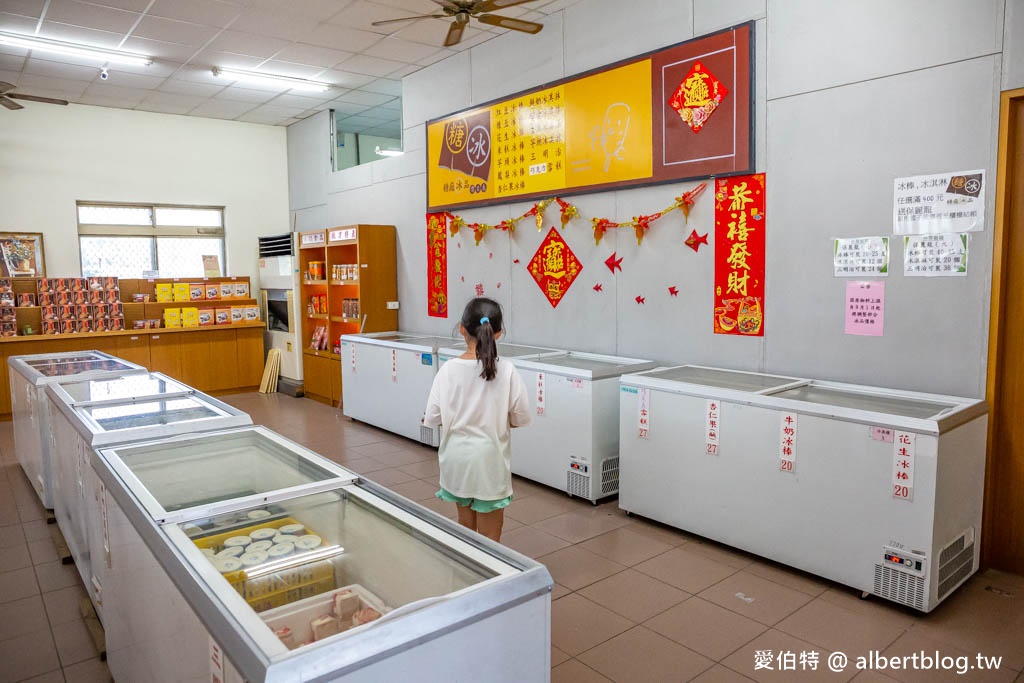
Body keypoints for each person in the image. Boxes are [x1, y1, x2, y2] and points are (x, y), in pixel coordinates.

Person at [423, 297, 532, 542]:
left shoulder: (447, 370)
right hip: (489, 463)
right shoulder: (507, 371)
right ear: (499, 333)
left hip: (455, 460)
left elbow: (433, 417)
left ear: (462, 329)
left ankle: (466, 565)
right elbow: (520, 417)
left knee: (465, 528)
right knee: (491, 537)